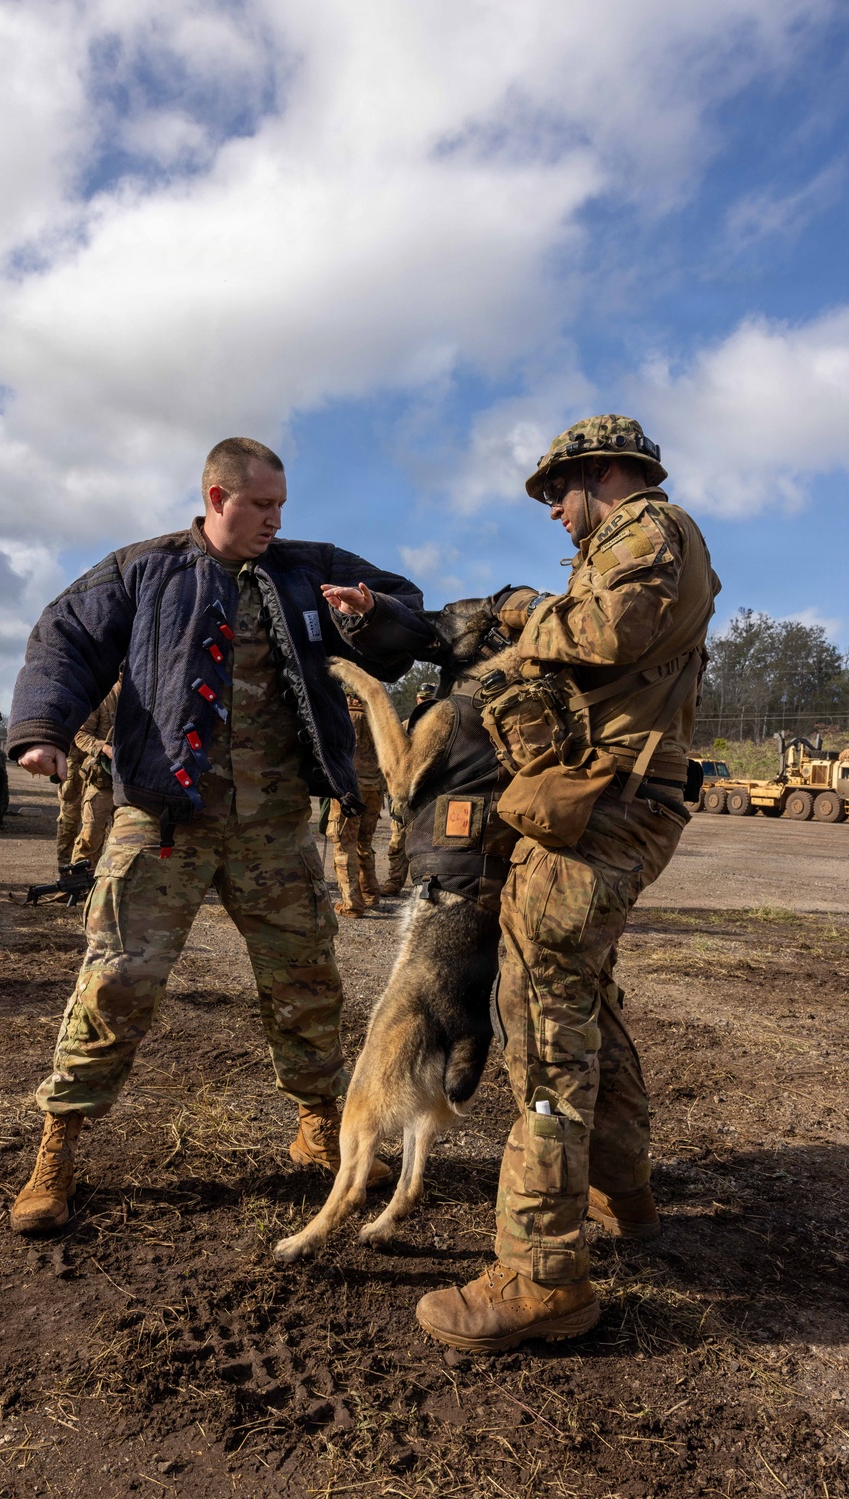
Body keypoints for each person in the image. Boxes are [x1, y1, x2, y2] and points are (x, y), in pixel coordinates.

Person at [6, 436, 429, 1234]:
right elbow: (66, 635)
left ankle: (318, 1123)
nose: (275, 520)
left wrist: (371, 614)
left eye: (282, 505)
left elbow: (407, 609)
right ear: (215, 497)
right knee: (116, 980)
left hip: (276, 825)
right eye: (260, 505)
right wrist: (43, 726)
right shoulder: (145, 569)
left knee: (307, 978)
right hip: (164, 819)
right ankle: (58, 1146)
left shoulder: (308, 569)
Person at [365, 415, 719, 1351]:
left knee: (543, 1024)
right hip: (611, 801)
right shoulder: (635, 541)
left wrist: (523, 612)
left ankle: (541, 1274)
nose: (555, 512)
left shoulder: (646, 526)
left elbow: (609, 629)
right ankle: (622, 1190)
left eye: (558, 492)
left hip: (602, 809)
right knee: (584, 997)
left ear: (601, 472)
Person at [329, 692, 385, 917]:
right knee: (364, 843)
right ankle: (370, 893)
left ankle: (352, 903)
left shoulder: (341, 716)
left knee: (344, 845)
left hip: (349, 790)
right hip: (374, 789)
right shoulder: (378, 717)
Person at [381, 682, 437, 897]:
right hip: (404, 797)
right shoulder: (405, 726)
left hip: (430, 795)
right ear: (417, 699)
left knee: (428, 843)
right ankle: (394, 882)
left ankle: (425, 885)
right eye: (422, 699)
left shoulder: (443, 726)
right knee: (397, 842)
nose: (425, 702)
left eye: (429, 699)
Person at [69, 680, 120, 870]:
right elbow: (81, 735)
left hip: (129, 786)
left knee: (124, 843)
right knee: (90, 838)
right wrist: (104, 748)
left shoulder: (143, 701)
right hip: (101, 783)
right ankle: (78, 881)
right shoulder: (103, 699)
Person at [55, 743, 86, 871]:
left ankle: (87, 871)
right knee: (68, 823)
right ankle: (65, 871)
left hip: (100, 770)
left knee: (95, 827)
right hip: (73, 771)